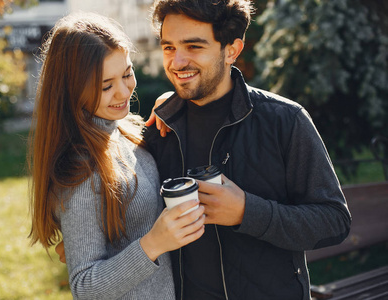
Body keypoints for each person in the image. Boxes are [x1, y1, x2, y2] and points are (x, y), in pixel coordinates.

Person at [142, 0, 352, 299]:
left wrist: (246, 212)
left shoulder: (285, 120)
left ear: (232, 50)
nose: (177, 62)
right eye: (169, 47)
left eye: (194, 47)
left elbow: (334, 221)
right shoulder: (158, 128)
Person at [27, 11, 206, 300]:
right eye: (106, 86)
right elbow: (84, 285)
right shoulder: (80, 171)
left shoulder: (124, 131)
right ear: (71, 90)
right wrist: (153, 244)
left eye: (127, 74)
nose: (124, 92)